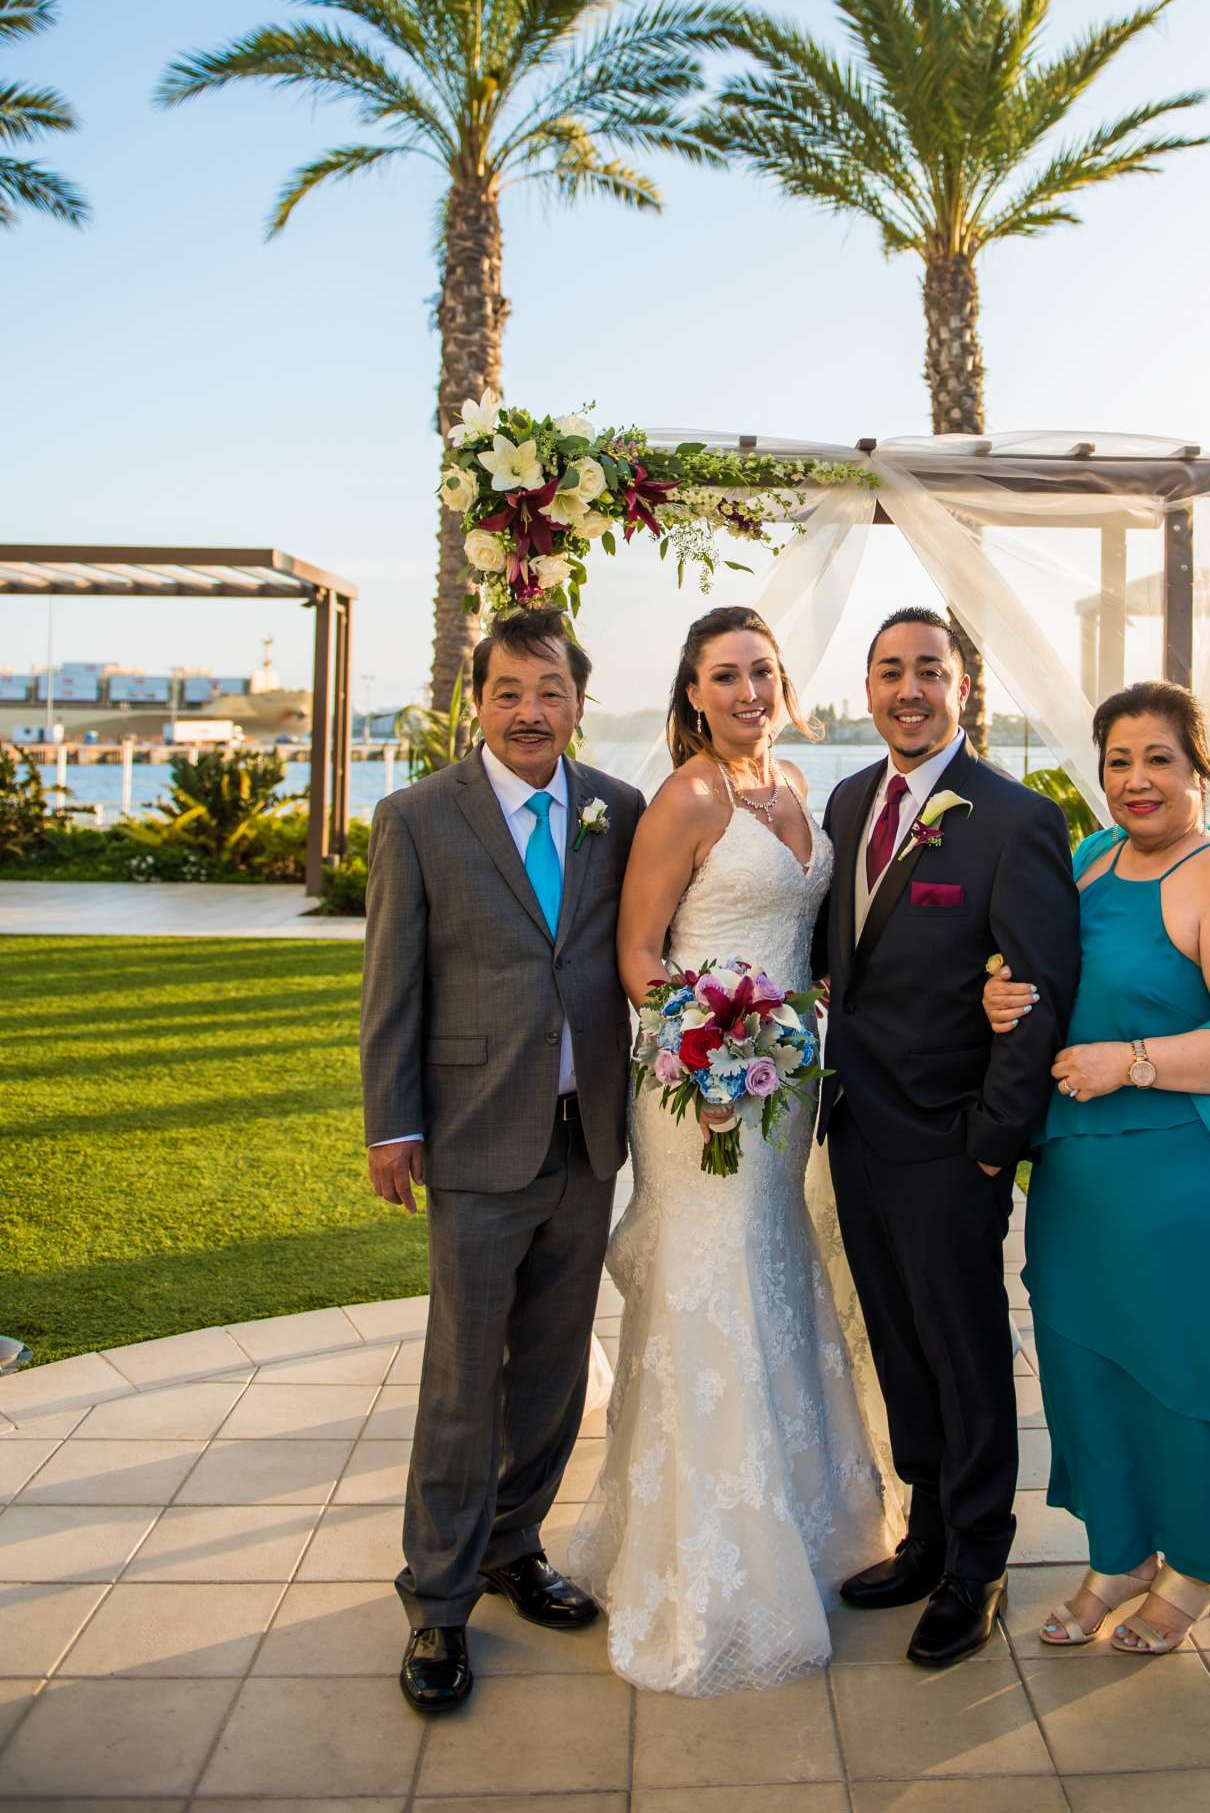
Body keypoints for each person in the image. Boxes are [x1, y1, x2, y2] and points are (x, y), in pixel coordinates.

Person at [982, 679, 1210, 1653]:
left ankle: (1194, 1571)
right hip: (1082, 1185)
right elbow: (1049, 983)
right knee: (1089, 1373)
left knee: (1190, 1382)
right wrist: (1002, 1002)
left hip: (1189, 1182)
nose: (1138, 780)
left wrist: (1135, 1063)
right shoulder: (1090, 859)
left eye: (1160, 760)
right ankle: (1121, 1555)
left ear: (1200, 770)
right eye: (1119, 762)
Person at [567, 606, 898, 1696]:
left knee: (774, 1274)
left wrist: (786, 1033)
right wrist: (706, 1050)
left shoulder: (798, 785)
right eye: (725, 676)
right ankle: (707, 1562)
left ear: (785, 683)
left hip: (785, 1083)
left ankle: (799, 1525)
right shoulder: (689, 796)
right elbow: (639, 953)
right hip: (700, 1094)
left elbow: (809, 939)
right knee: (714, 1285)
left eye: (762, 671)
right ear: (694, 693)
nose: (748, 691)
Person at [360, 607, 644, 1714]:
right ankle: (436, 1602)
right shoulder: (417, 817)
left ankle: (513, 1547)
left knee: (555, 1370)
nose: (531, 713)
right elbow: (391, 985)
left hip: (588, 1140)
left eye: (552, 693)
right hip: (476, 1137)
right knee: (461, 1376)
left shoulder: (617, 813)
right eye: (509, 693)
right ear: (476, 702)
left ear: (580, 702)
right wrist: (394, 1123)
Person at [816, 608, 1080, 1667]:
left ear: (965, 685)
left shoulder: (1017, 820)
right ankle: (924, 1536)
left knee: (967, 1357)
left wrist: (989, 1143)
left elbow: (1044, 991)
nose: (908, 689)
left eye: (930, 669)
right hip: (858, 1132)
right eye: (890, 671)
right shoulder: (844, 801)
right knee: (900, 1345)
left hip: (951, 1144)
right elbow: (841, 959)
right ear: (868, 688)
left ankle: (978, 1559)